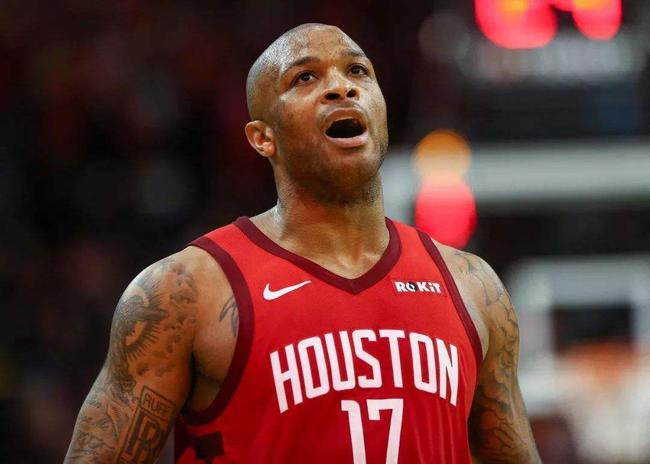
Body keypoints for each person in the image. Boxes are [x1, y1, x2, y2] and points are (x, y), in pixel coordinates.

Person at [64, 23, 541, 463]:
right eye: (304, 78)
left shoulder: (473, 286)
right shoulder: (185, 291)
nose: (341, 87)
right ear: (262, 138)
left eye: (358, 71)